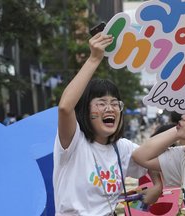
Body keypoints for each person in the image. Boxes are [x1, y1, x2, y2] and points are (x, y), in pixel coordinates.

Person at [53, 33, 162, 216]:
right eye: (101, 103)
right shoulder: (73, 141)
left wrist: (157, 186)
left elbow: (150, 158)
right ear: (85, 110)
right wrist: (94, 58)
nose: (110, 109)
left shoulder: (123, 147)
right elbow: (65, 108)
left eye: (114, 103)